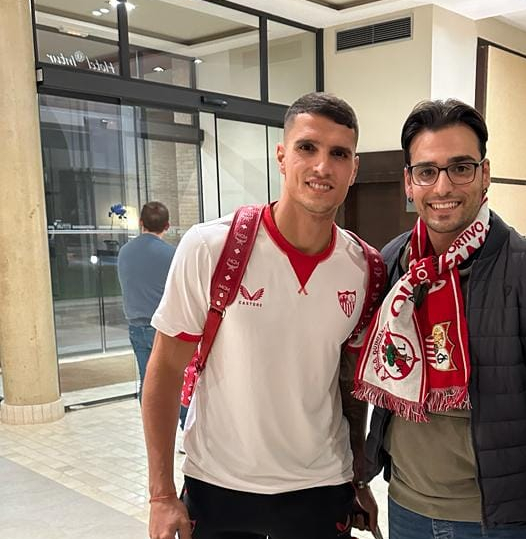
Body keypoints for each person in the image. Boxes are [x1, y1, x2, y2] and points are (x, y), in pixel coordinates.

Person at [354, 99, 526, 539]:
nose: (443, 187)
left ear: (485, 174)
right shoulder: (394, 262)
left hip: (500, 520)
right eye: (427, 171)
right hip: (406, 505)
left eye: (461, 167)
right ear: (409, 182)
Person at [142, 92, 378, 539]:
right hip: (219, 486)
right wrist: (161, 494)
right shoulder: (211, 247)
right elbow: (166, 368)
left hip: (321, 487)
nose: (322, 166)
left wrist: (358, 478)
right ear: (282, 156)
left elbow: (349, 384)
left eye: (338, 154)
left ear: (354, 168)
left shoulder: (365, 267)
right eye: (307, 147)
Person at [117, 201, 175, 402]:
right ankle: (186, 429)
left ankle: (152, 429)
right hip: (163, 329)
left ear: (141, 222)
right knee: (177, 381)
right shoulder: (172, 255)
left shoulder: (124, 251)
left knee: (147, 381)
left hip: (135, 326)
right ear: (167, 226)